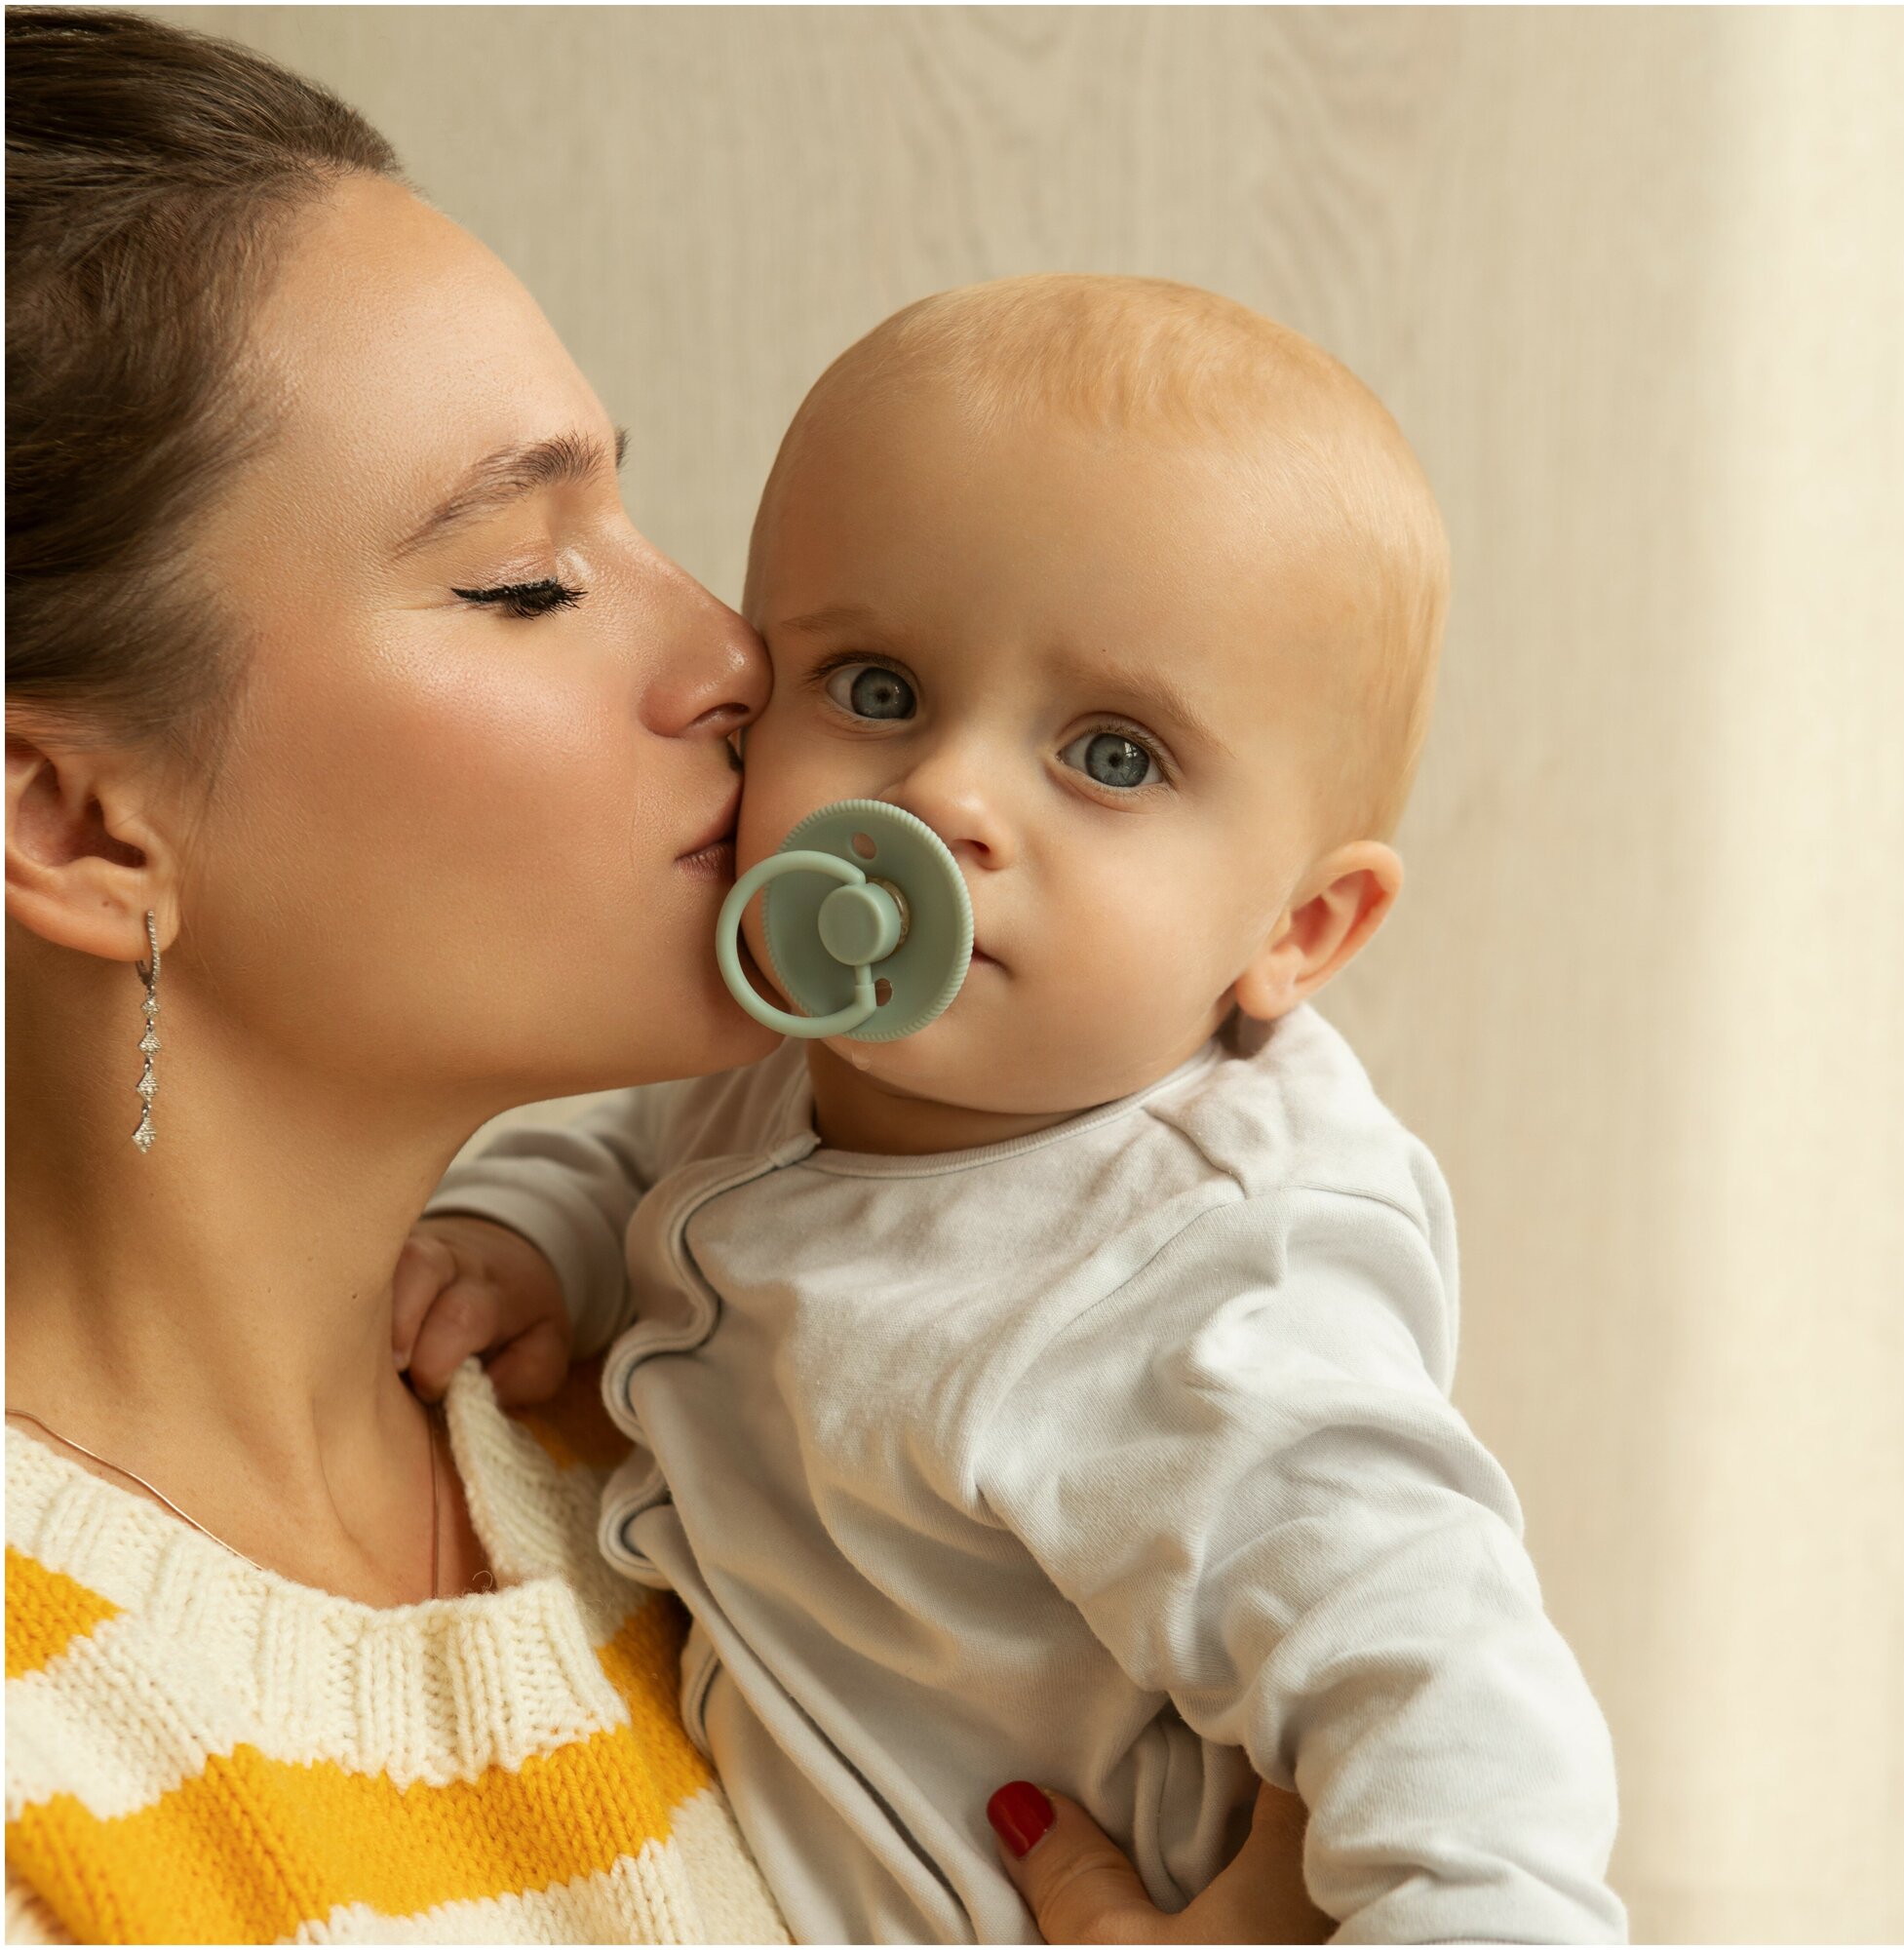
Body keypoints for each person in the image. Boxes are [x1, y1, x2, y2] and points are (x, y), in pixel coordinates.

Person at [2, 13, 1327, 1943]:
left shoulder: (733, 1457)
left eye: (633, 517)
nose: (734, 656)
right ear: (74, 823)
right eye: (525, 578)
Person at [399, 276, 1629, 1944]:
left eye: (1113, 756)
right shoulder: (795, 1060)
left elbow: (1460, 1709)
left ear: (1298, 927)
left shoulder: (1210, 1286)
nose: (946, 795)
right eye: (877, 689)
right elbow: (644, 1157)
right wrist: (525, 1237)